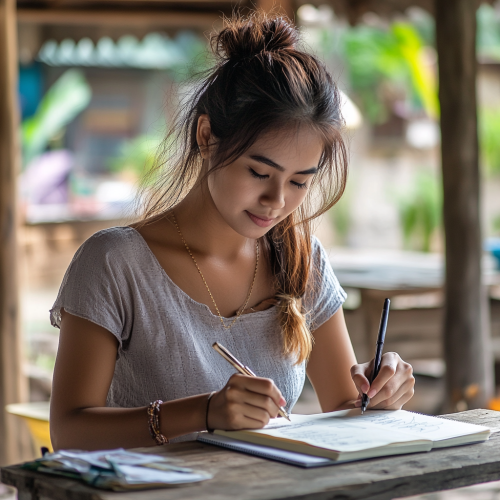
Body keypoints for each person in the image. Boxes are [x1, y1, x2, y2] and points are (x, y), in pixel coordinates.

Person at [49, 11, 415, 451]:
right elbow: (69, 431)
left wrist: (381, 393)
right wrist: (202, 412)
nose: (277, 200)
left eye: (300, 181)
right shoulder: (116, 263)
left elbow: (344, 407)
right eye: (260, 172)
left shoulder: (302, 260)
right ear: (207, 137)